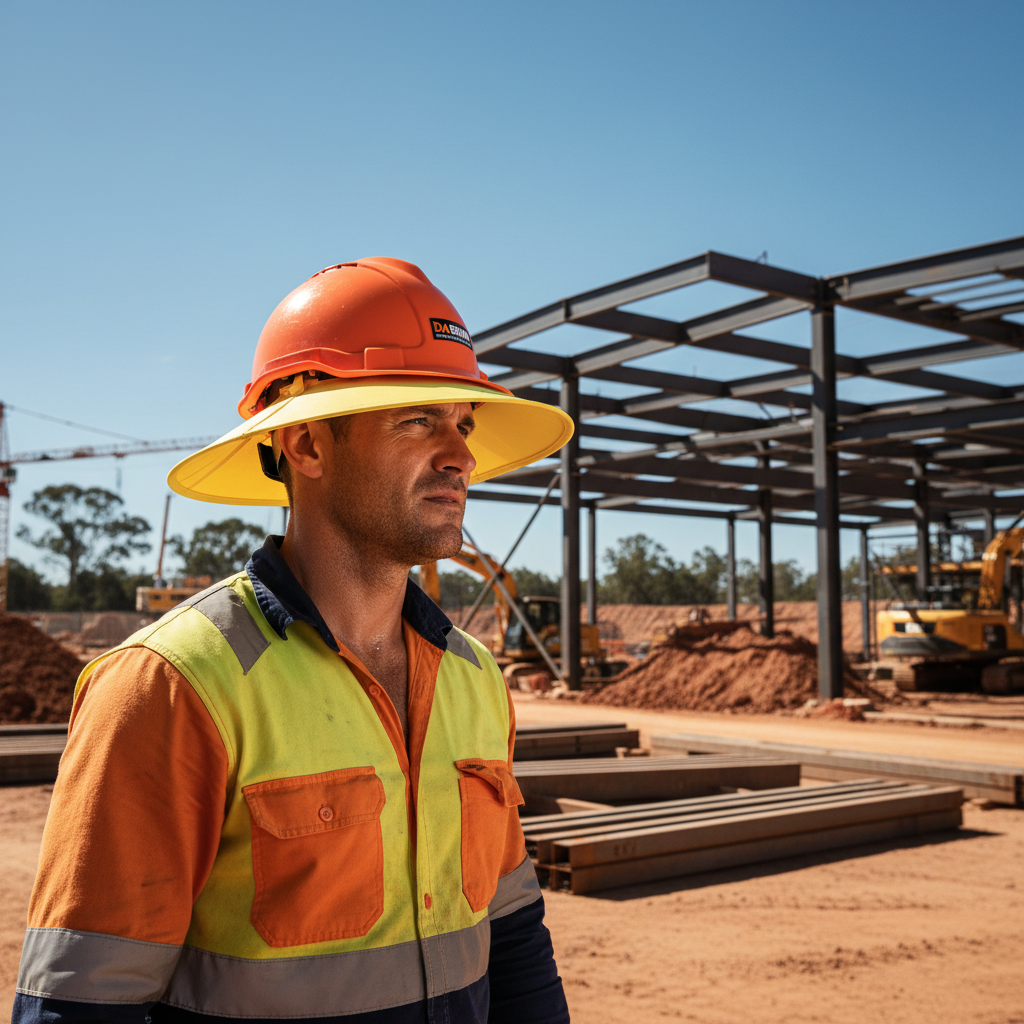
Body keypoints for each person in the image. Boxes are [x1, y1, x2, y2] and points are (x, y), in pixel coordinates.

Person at [13, 258, 574, 1024]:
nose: (462, 456)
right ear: (307, 446)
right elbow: (84, 1003)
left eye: (464, 423)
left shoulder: (474, 679)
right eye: (419, 420)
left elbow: (512, 940)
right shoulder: (173, 686)